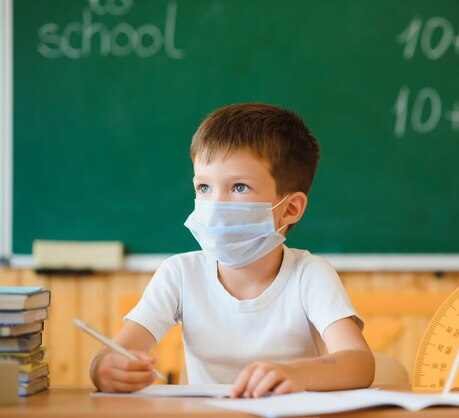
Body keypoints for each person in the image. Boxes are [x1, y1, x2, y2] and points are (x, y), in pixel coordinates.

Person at [89, 103, 375, 397]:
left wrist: (296, 373)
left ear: (290, 208)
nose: (215, 205)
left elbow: (360, 363)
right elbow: (114, 353)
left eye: (239, 187)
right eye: (204, 188)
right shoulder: (180, 273)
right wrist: (104, 369)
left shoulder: (309, 275)